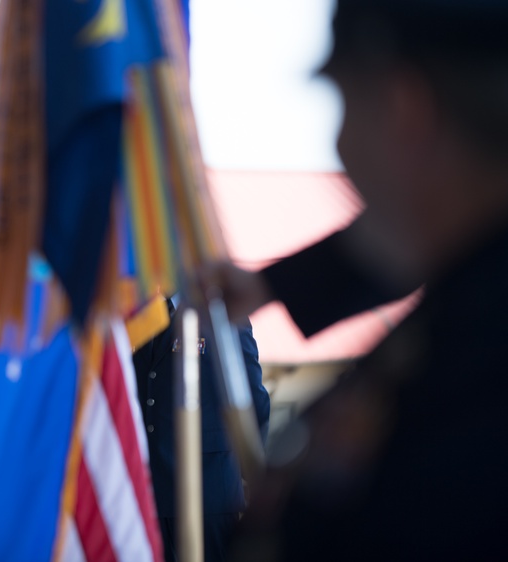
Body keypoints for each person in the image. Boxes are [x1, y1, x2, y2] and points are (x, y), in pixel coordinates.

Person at [200, 1, 508, 560]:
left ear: (404, 110)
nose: (340, 148)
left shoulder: (464, 392)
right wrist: (280, 287)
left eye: (344, 105)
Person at [132, 296, 269, 562]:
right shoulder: (136, 314)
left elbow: (253, 401)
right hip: (148, 491)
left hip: (208, 490)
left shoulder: (221, 313)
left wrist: (254, 473)